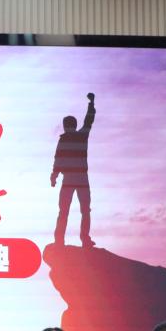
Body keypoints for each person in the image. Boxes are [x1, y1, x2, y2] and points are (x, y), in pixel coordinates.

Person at [51, 92, 97, 248]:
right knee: (84, 210)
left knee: (64, 211)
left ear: (65, 126)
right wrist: (91, 103)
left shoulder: (64, 139)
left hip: (70, 179)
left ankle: (60, 240)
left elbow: (58, 160)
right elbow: (89, 120)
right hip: (81, 178)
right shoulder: (81, 135)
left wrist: (54, 176)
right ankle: (84, 239)